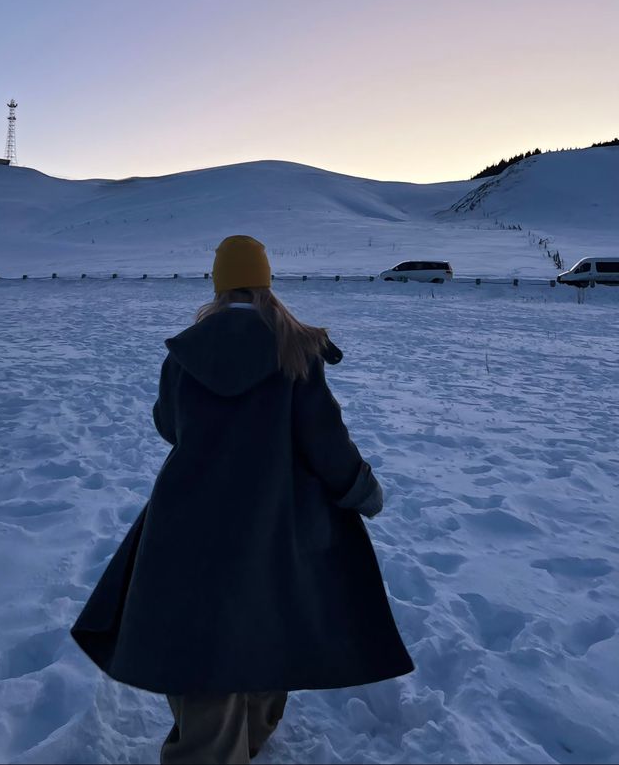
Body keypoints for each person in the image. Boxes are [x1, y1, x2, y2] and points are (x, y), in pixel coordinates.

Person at [71, 235, 414, 764]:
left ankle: (213, 747)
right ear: (265, 283)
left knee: (201, 643)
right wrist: (360, 489)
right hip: (273, 522)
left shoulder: (187, 351)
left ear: (218, 284)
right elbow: (324, 440)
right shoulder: (293, 346)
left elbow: (170, 426)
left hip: (187, 521)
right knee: (266, 622)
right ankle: (251, 736)